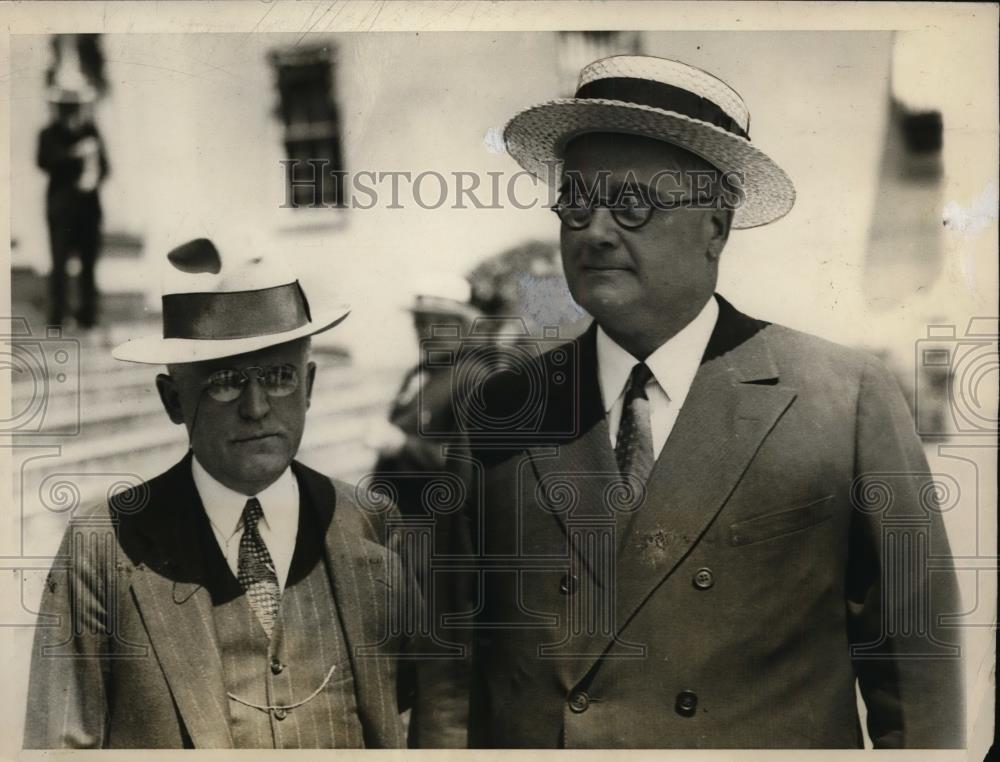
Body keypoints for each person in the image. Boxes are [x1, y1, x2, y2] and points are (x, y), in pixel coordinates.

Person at [455, 56, 964, 748]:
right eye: (577, 202)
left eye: (632, 203)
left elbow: (917, 686)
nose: (596, 230)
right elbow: (452, 672)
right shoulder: (504, 408)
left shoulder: (843, 402)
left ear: (715, 228)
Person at [24, 234, 423, 748]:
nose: (256, 407)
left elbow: (422, 713)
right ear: (173, 400)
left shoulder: (370, 523)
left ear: (310, 386)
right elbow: (58, 748)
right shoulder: (103, 546)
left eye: (279, 376)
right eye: (224, 381)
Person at [365, 272, 480, 748]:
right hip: (399, 541)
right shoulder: (423, 374)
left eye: (434, 323)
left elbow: (465, 469)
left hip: (433, 545)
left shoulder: (473, 377)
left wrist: (401, 445)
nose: (423, 333)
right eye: (418, 323)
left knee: (435, 668)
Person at [37, 71, 109, 329]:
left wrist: (93, 175)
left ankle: (87, 317)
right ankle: (57, 317)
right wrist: (75, 154)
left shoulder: (91, 131)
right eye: (66, 107)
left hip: (89, 211)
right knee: (59, 265)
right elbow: (45, 161)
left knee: (88, 265)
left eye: (73, 106)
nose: (70, 112)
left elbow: (106, 167)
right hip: (61, 211)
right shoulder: (49, 134)